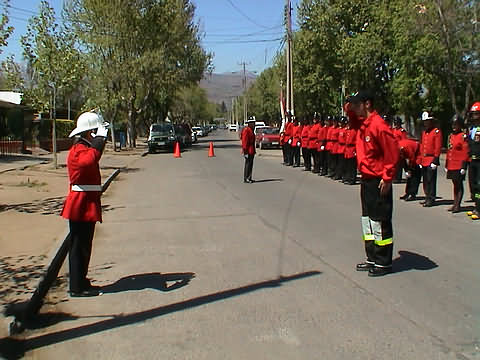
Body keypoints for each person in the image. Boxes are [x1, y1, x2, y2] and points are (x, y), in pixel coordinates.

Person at [345, 90, 399, 277]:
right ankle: (372, 257)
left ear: (367, 104)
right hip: (366, 180)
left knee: (380, 221)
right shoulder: (362, 124)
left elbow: (392, 152)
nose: (353, 108)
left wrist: (388, 177)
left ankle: (384, 262)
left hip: (378, 181)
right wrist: (350, 103)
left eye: (357, 103)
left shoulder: (378, 126)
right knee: (368, 221)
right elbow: (349, 113)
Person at [61, 110, 109, 297]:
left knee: (84, 246)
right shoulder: (79, 150)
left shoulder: (84, 148)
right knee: (79, 247)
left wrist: (99, 141)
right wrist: (100, 140)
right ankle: (76, 287)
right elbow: (89, 161)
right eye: (95, 132)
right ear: (90, 133)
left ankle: (81, 280)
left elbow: (93, 157)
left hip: (85, 202)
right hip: (80, 204)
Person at [445, 115, 469, 213]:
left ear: (460, 125)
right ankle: (455, 203)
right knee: (454, 184)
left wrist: (464, 166)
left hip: (459, 164)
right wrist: (446, 164)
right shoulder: (451, 136)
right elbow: (449, 150)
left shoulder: (463, 136)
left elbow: (465, 151)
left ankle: (457, 205)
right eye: (453, 124)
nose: (454, 126)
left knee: (459, 184)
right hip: (451, 164)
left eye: (456, 124)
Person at [419, 111, 443, 207]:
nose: (426, 123)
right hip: (424, 159)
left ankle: (431, 198)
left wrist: (436, 160)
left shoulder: (436, 132)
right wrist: (420, 159)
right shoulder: (424, 132)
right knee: (425, 180)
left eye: (427, 121)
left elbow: (438, 146)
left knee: (431, 180)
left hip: (431, 158)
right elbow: (422, 146)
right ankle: (427, 196)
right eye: (425, 121)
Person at [466, 102, 480, 220]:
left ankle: (479, 209)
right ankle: (476, 206)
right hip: (472, 161)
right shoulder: (471, 128)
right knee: (473, 185)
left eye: (477, 114)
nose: (475, 116)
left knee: (479, 185)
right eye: (473, 114)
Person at [391, 117, 407, 183]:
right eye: (395, 123)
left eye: (397, 123)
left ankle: (398, 178)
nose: (396, 124)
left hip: (399, 149)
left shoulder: (402, 131)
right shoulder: (393, 130)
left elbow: (404, 140)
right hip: (393, 149)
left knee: (399, 165)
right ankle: (394, 177)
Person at [242, 116, 256, 183]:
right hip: (248, 150)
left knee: (250, 164)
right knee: (248, 164)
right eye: (252, 123)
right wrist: (245, 152)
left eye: (254, 123)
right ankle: (246, 178)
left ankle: (249, 177)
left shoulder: (251, 130)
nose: (254, 124)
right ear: (249, 123)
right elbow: (244, 141)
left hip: (252, 150)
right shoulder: (246, 130)